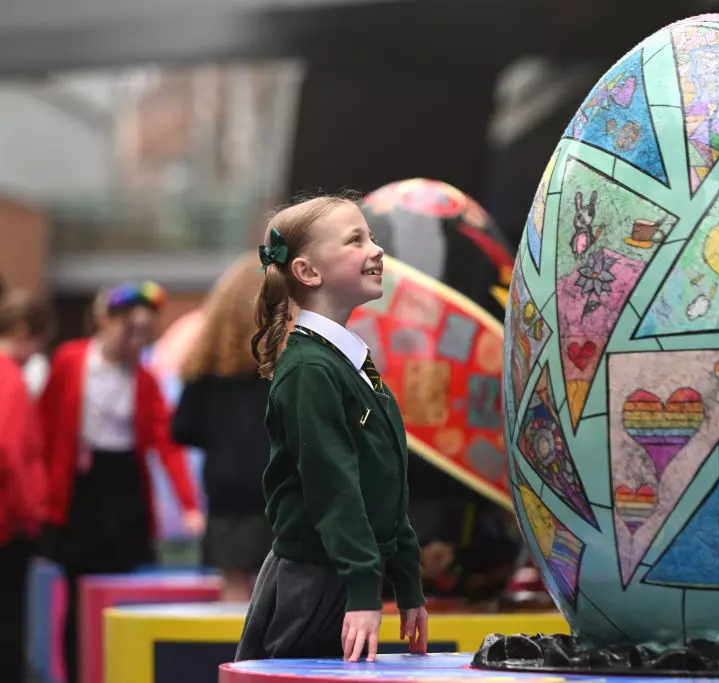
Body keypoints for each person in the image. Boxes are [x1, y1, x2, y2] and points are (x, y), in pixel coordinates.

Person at [234, 195, 428, 664]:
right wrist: (363, 589)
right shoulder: (309, 369)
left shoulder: (348, 361)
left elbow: (384, 482)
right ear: (307, 271)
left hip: (343, 576)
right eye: (355, 240)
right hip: (314, 584)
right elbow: (333, 487)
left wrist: (407, 583)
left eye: (372, 237)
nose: (376, 249)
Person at [38, 281, 205, 683]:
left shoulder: (145, 379)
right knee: (77, 591)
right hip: (81, 488)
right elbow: (45, 429)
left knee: (123, 589)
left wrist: (189, 505)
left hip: (125, 486)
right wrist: (42, 497)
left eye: (144, 334)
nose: (136, 342)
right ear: (104, 322)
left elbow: (167, 445)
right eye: (129, 331)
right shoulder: (70, 360)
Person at [173, 253, 275, 601]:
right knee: (280, 589)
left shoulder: (205, 371)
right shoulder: (285, 370)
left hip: (226, 495)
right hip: (278, 490)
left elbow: (183, 428)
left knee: (233, 590)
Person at [0, 290, 54, 683]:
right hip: (8, 525)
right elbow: (11, 452)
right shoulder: (10, 379)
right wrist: (31, 514)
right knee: (10, 622)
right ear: (23, 332)